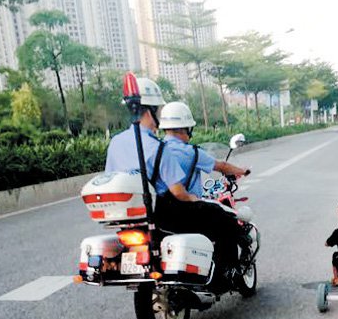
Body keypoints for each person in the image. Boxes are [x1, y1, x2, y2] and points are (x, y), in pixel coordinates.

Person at [155, 101, 250, 273]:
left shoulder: (156, 150)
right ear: (185, 129)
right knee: (227, 222)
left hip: (160, 213)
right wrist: (242, 171)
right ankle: (227, 270)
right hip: (185, 210)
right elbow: (221, 166)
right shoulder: (190, 152)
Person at [105, 77, 184, 197]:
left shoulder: (115, 142)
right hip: (155, 207)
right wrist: (194, 198)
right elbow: (179, 193)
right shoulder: (159, 148)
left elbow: (110, 179)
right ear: (149, 112)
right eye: (158, 109)